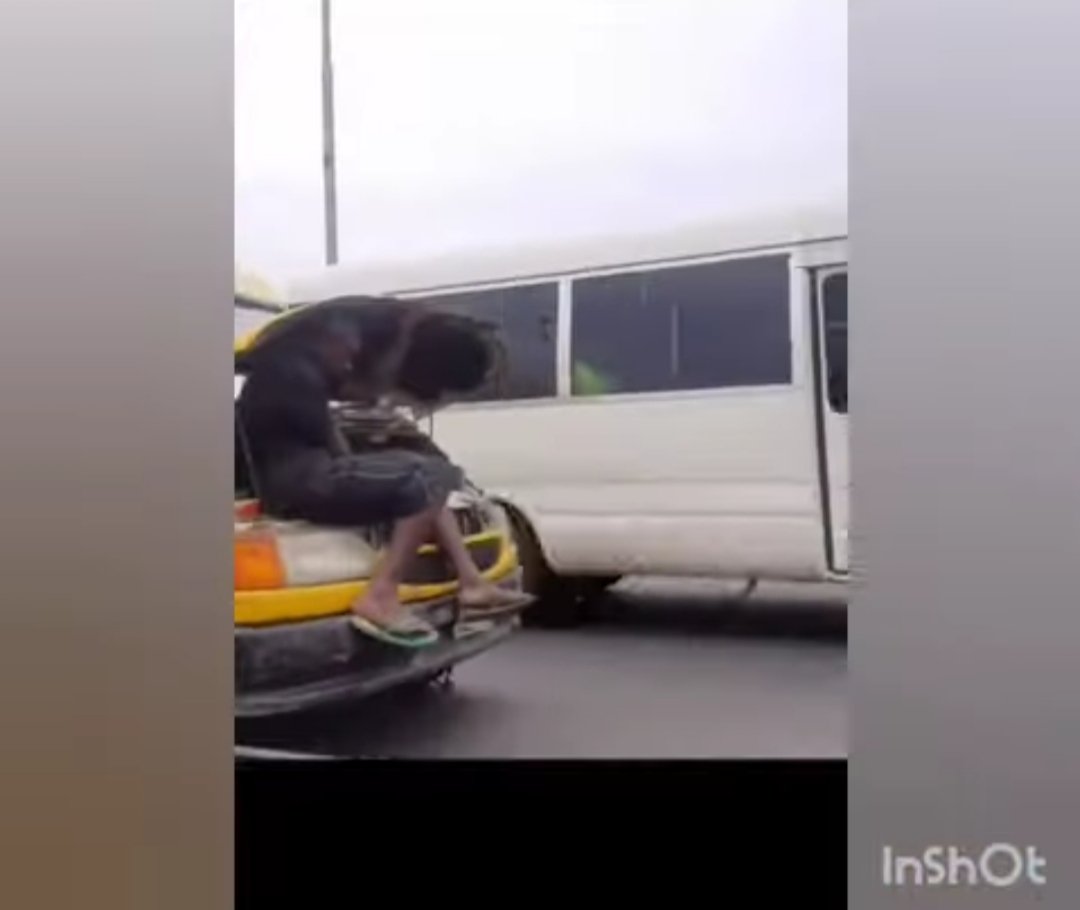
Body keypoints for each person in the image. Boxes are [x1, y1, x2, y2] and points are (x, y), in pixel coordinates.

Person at [236, 301, 529, 648]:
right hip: (300, 485)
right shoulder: (287, 377)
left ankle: (472, 583)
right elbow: (322, 447)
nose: (353, 356)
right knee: (431, 475)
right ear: (329, 343)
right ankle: (380, 594)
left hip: (311, 476)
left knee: (429, 479)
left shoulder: (306, 375)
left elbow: (339, 448)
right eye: (348, 346)